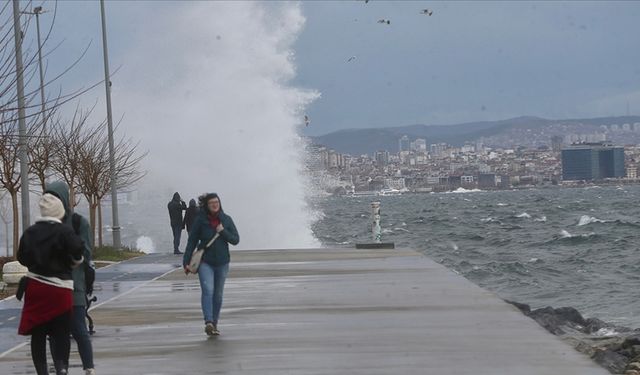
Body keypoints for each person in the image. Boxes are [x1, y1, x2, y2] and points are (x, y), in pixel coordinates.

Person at [17, 193, 84, 375]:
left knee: (38, 333)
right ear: (59, 212)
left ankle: (41, 370)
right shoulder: (64, 231)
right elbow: (78, 250)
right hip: (60, 289)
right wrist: (73, 261)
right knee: (61, 332)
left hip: (36, 287)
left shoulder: (31, 232)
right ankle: (61, 366)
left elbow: (21, 257)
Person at [46, 181, 97, 375]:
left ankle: (88, 367)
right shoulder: (45, 225)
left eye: (56, 198)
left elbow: (86, 253)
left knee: (78, 329)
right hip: (51, 287)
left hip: (74, 286)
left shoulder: (78, 222)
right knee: (54, 334)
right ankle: (61, 368)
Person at [183, 193, 239, 336]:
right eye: (212, 203)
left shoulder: (226, 220)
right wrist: (186, 262)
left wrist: (223, 231)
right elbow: (192, 242)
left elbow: (235, 240)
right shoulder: (200, 221)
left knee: (218, 294)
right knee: (208, 290)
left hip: (222, 262)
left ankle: (214, 323)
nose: (215, 204)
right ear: (206, 206)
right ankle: (208, 321)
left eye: (217, 202)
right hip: (205, 261)